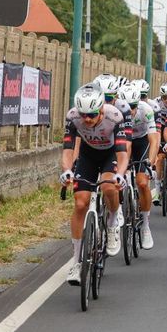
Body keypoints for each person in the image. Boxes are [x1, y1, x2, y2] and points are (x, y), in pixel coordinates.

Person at [59, 85, 128, 283]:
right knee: (80, 203)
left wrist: (121, 175)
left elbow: (123, 154)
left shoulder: (114, 117)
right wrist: (66, 170)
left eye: (92, 115)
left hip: (109, 155)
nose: (87, 120)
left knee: (108, 187)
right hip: (88, 156)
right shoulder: (73, 117)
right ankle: (77, 261)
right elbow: (67, 149)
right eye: (84, 115)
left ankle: (113, 221)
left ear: (100, 109)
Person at [119, 83, 159, 249]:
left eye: (134, 106)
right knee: (118, 177)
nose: (132, 110)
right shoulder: (115, 112)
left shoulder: (146, 110)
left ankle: (145, 225)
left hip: (141, 142)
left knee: (142, 182)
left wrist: (150, 160)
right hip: (123, 141)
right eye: (128, 107)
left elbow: (154, 139)